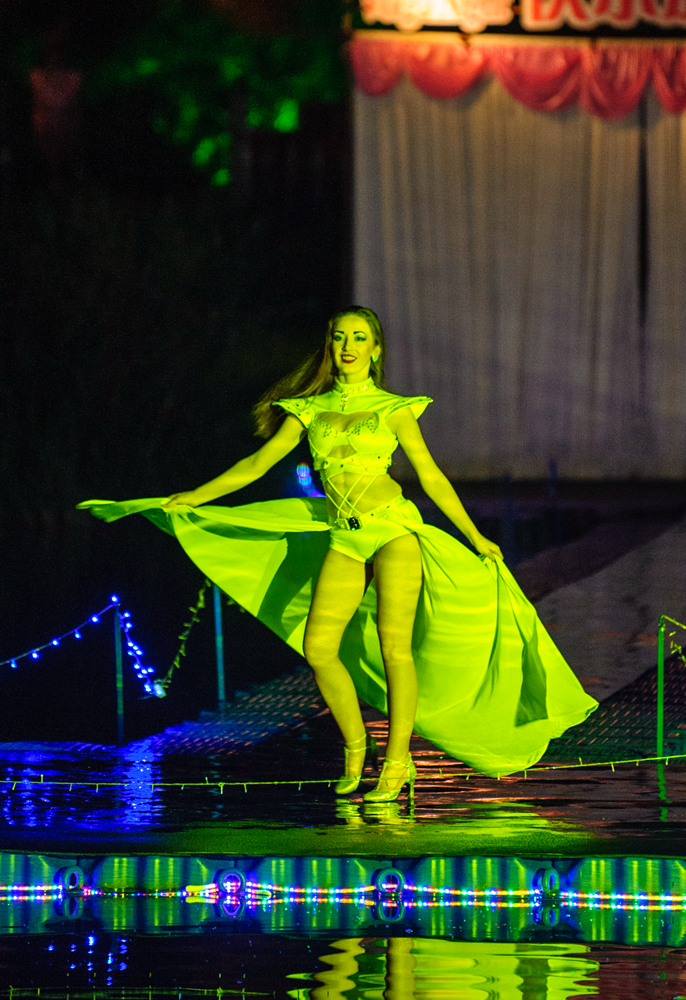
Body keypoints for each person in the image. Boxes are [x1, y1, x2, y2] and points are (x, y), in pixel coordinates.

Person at [79, 307, 597, 801]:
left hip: (393, 530)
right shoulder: (309, 409)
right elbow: (257, 464)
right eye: (339, 337)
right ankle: (356, 747)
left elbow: (431, 476)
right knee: (319, 647)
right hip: (343, 536)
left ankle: (397, 762)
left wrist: (474, 535)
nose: (348, 346)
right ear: (329, 346)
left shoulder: (394, 409)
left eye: (359, 338)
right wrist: (195, 496)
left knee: (396, 649)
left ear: (376, 349)